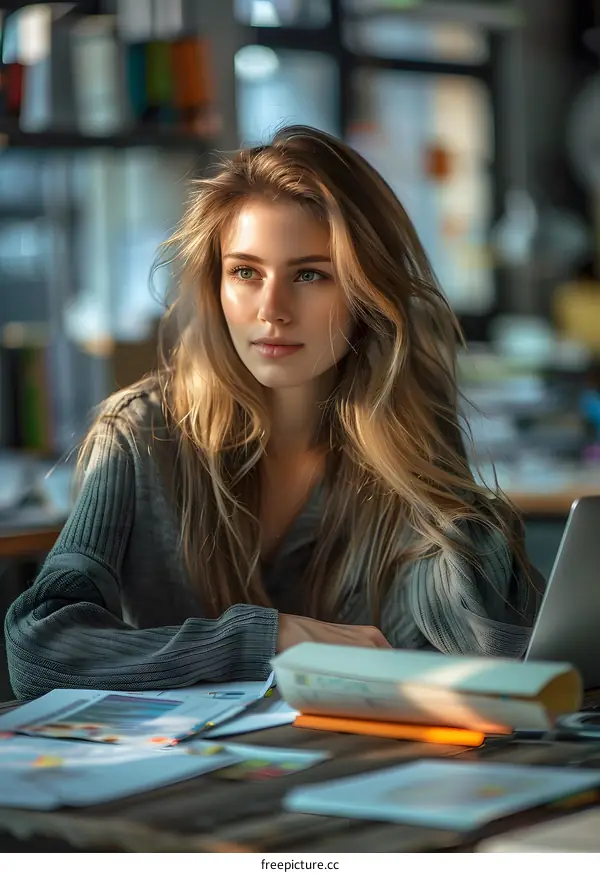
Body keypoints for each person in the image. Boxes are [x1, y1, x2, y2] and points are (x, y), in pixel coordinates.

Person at [5, 126, 542, 700]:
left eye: (310, 274)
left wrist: (457, 513)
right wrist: (268, 638)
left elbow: (490, 658)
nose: (272, 311)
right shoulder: (140, 436)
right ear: (215, 285)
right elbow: (37, 652)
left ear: (366, 294)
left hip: (355, 771)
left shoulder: (402, 440)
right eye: (245, 272)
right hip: (187, 780)